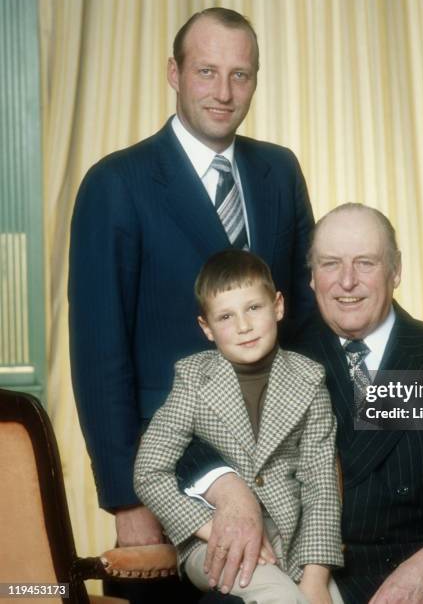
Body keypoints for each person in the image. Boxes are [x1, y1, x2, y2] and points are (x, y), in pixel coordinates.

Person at [68, 7, 315, 603]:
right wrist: (127, 499)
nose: (224, 92)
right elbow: (100, 355)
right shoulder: (116, 184)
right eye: (207, 71)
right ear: (173, 73)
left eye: (241, 75)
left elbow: (303, 322)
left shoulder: (279, 171)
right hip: (175, 476)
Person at [176, 203, 423, 603]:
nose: (347, 282)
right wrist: (227, 490)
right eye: (330, 264)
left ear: (395, 270)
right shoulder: (263, 351)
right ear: (311, 277)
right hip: (291, 570)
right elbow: (185, 443)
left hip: (421, 576)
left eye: (365, 263)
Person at [134, 250, 343, 604]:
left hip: (291, 544)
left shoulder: (309, 381)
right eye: (226, 316)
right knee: (283, 600)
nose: (244, 326)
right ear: (207, 328)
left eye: (254, 308)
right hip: (211, 543)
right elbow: (148, 472)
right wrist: (215, 529)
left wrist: (316, 576)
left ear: (278, 306)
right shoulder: (194, 381)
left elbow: (321, 487)